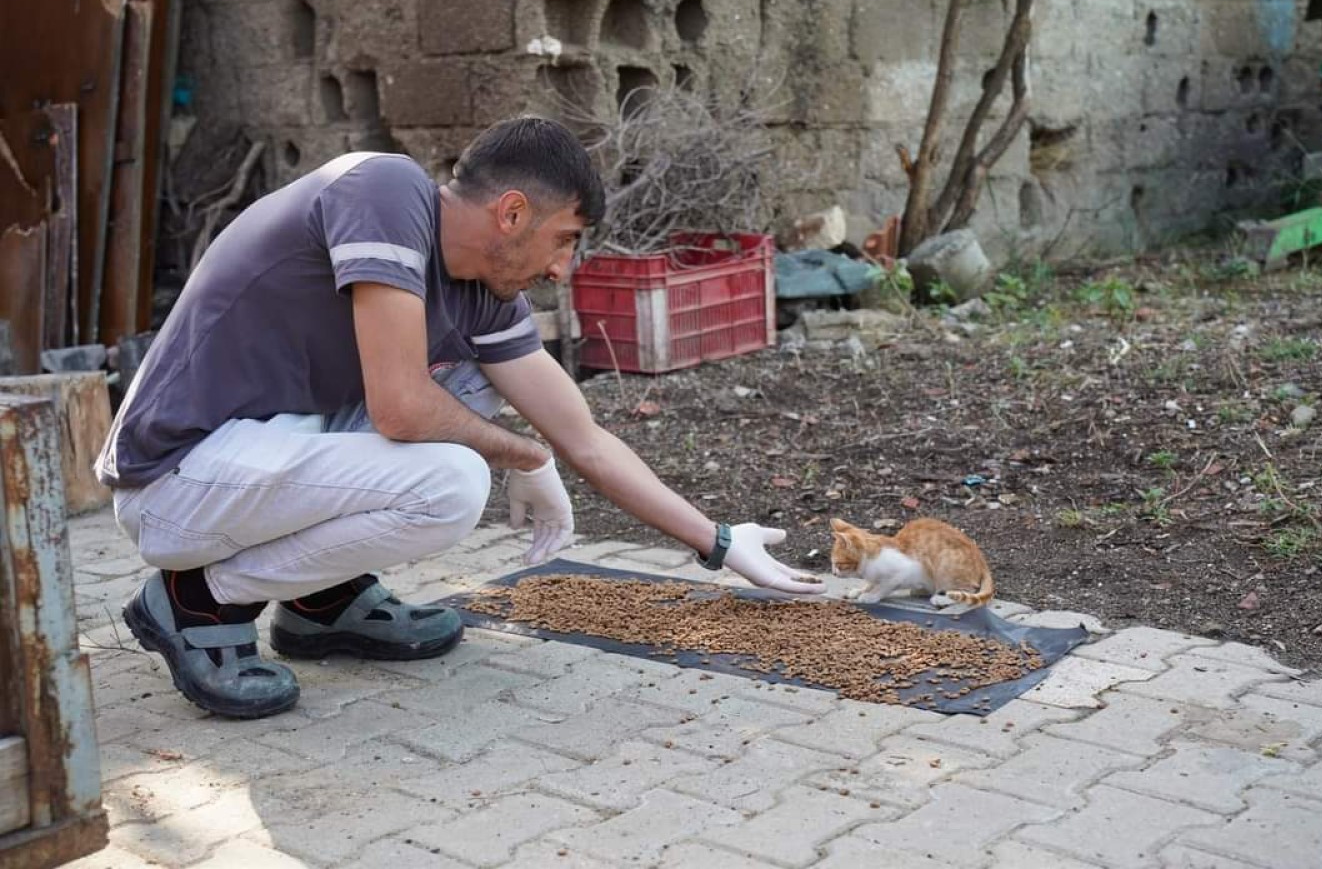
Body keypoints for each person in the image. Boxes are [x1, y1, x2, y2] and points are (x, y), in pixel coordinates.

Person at [96, 115, 825, 720]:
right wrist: (524, 457)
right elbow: (401, 407)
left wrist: (721, 543)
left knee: (469, 393)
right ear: (511, 212)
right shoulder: (382, 188)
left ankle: (321, 600)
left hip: (263, 463)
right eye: (564, 239)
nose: (561, 270)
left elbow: (584, 436)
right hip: (175, 480)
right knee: (449, 480)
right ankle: (195, 597)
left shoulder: (482, 293)